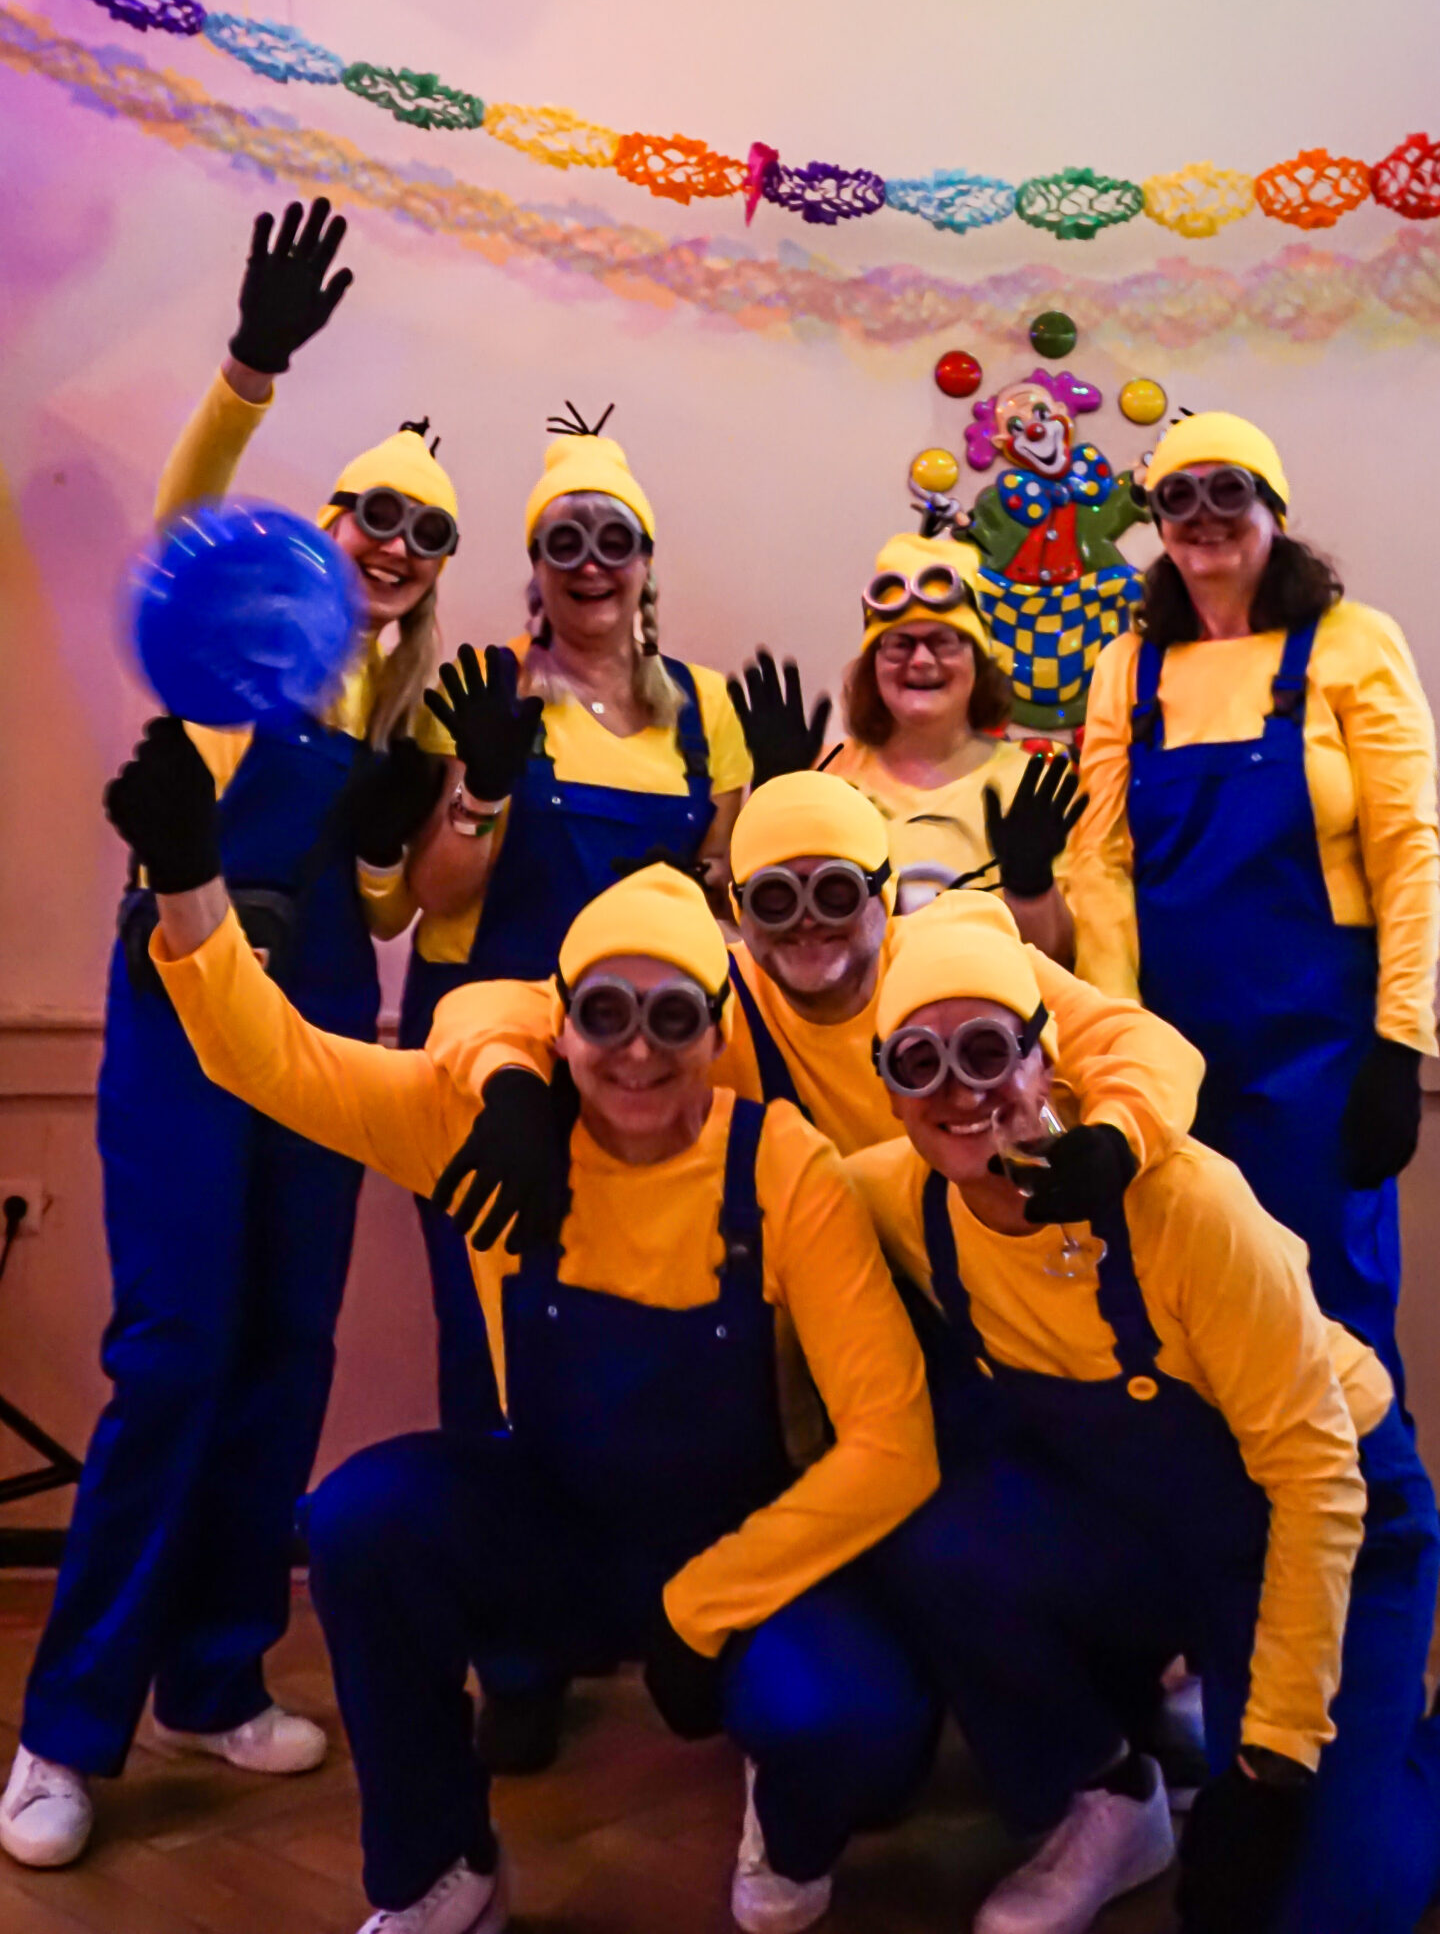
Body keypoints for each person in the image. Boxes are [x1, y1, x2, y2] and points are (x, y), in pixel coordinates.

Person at [87, 725, 941, 1934]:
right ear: (561, 1023)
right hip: (561, 1529)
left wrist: (706, 1600)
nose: (636, 1051)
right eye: (605, 1013)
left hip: (747, 1548)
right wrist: (189, 886)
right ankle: (439, 1869)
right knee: (363, 1521)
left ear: (719, 1030)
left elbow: (893, 1443)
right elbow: (268, 1060)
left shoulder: (782, 1164)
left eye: (673, 1018)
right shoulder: (479, 1131)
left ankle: (792, 1823)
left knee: (849, 1723)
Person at [2, 202, 457, 1873]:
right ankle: (66, 1729)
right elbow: (188, 504)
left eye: (426, 529)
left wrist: (410, 823)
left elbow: (389, 912)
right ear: (325, 521)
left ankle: (212, 1677)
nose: (395, 539)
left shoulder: (399, 705)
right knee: (178, 1350)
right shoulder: (229, 633)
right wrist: (252, 369)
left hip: (320, 1015)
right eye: (375, 509)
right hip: (183, 997)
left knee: (283, 1351)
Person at [850, 891, 1440, 1934]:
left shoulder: (1185, 1204)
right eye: (919, 1063)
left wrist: (1272, 1765)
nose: (959, 1091)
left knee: (1316, 1912)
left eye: (988, 1050)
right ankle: (1107, 1792)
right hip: (1160, 1536)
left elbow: (1316, 1479)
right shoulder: (893, 1199)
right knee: (937, 1537)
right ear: (889, 1088)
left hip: (1335, 1525)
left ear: (1046, 1057)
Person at [395, 406, 750, 1579]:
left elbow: (724, 892)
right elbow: (432, 891)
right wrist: (482, 789)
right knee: (489, 1338)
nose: (591, 563)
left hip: (648, 1070)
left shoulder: (707, 710)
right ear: (536, 564)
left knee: (640, 1334)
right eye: (565, 541)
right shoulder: (485, 692)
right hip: (490, 1064)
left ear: (646, 561)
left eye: (614, 539)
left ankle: (640, 1593)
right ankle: (511, 1624)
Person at [1067, 412, 1440, 1385]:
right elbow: (1098, 863)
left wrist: (1399, 1044)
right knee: (1183, 1313)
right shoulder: (1126, 668)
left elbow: (1406, 850)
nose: (1202, 515)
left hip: (1320, 1057)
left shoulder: (1355, 646)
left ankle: (1370, 1492)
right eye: (1177, 496)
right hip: (1175, 1054)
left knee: (1333, 1317)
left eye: (1228, 490)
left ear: (1274, 508)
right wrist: (1119, 1047)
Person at [425, 772, 1203, 1194]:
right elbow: (485, 1008)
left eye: (832, 891)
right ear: (738, 910)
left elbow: (1141, 1043)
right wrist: (512, 1087)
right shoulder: (715, 995)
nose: (805, 922)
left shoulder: (960, 965)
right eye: (774, 898)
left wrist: (1116, 1139)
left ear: (883, 895)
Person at [750, 530, 1079, 950]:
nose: (921, 660)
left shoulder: (1037, 785)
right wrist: (771, 797)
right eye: (900, 644)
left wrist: (1031, 888)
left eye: (943, 642)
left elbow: (1059, 962)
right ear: (873, 666)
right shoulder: (822, 777)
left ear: (978, 663)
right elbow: (769, 933)